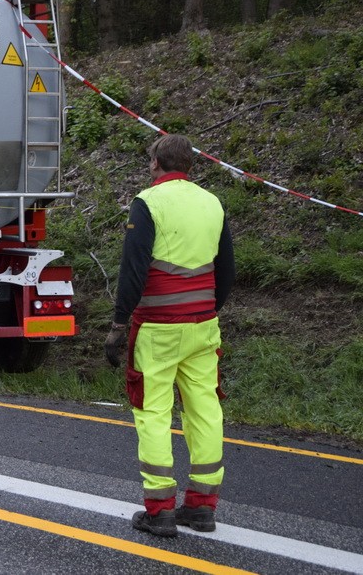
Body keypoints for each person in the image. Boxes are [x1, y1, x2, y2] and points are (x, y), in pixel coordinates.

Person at [104, 134, 235, 538]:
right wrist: (208, 311)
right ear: (190, 165)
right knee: (205, 409)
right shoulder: (212, 203)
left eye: (149, 160)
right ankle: (202, 506)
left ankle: (159, 509)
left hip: (158, 329)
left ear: (155, 163)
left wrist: (118, 323)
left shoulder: (148, 203)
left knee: (154, 412)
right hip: (202, 326)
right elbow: (226, 269)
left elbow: (134, 270)